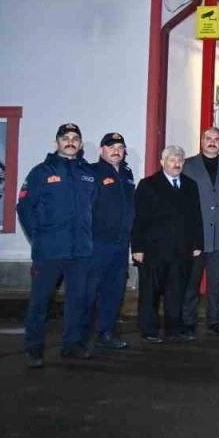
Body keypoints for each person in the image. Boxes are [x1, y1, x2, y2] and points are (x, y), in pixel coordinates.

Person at [16, 122, 99, 367]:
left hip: (80, 252)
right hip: (49, 251)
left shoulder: (88, 173)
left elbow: (94, 209)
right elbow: (25, 207)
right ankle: (34, 349)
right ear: (57, 142)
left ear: (80, 144)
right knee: (40, 302)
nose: (70, 142)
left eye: (75, 138)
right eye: (65, 138)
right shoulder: (41, 172)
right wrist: (38, 237)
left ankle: (72, 345)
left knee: (78, 301)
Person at [131, 145, 204, 343]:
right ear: (162, 162)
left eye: (180, 160)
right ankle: (149, 330)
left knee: (177, 291)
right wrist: (137, 248)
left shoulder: (190, 185)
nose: (176, 163)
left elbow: (196, 217)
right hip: (153, 250)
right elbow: (138, 219)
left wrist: (197, 244)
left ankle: (174, 329)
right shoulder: (148, 185)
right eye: (172, 160)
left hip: (182, 249)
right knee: (150, 292)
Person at [182, 126, 219, 336]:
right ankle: (188, 322)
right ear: (202, 141)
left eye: (216, 139)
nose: (212, 142)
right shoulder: (188, 165)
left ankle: (214, 322)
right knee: (191, 284)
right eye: (208, 138)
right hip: (196, 236)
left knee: (216, 284)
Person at [82, 132, 135, 350]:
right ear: (101, 150)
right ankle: (80, 337)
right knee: (88, 292)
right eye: (111, 147)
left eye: (120, 148)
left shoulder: (127, 173)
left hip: (121, 244)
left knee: (114, 292)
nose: (116, 151)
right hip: (98, 244)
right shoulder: (92, 172)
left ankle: (106, 333)